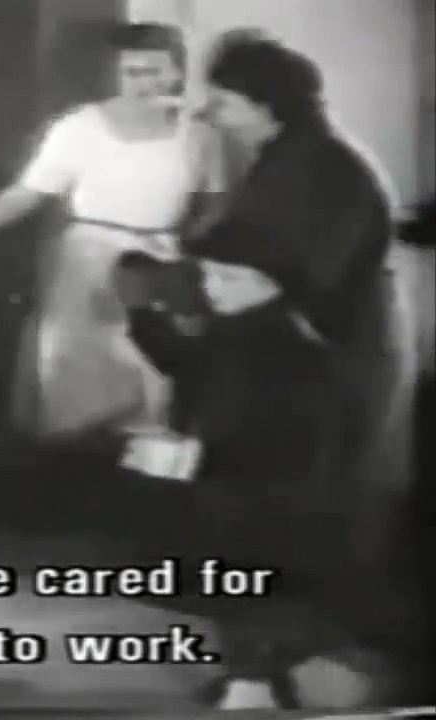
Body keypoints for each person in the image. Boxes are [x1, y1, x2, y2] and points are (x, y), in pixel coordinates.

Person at [114, 36, 399, 710]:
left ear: (266, 103)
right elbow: (244, 270)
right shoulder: (288, 160)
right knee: (256, 524)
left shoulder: (320, 171)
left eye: (223, 100)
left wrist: (172, 282)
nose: (208, 112)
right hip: (278, 372)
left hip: (304, 381)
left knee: (273, 527)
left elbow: (268, 275)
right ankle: (264, 669)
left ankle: (271, 675)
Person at [0, 23, 227, 440]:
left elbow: (215, 204)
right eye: (131, 72)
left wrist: (192, 255)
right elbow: (29, 192)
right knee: (77, 379)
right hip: (90, 262)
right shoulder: (80, 127)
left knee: (153, 379)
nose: (143, 83)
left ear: (177, 74)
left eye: (154, 71)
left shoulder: (200, 136)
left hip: (161, 263)